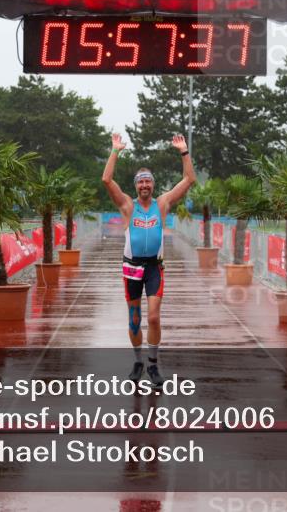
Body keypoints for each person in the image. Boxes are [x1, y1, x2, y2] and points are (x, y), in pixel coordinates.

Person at [102, 132, 195, 386]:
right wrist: (115, 151)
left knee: (154, 317)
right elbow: (107, 179)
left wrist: (184, 151)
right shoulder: (127, 206)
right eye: (140, 182)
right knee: (135, 318)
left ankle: (153, 365)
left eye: (148, 182)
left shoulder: (162, 204)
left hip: (154, 267)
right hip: (131, 268)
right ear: (136, 185)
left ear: (153, 185)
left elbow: (189, 179)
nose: (144, 185)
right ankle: (137, 361)